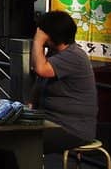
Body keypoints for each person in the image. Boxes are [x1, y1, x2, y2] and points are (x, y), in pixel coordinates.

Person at [30, 10, 98, 153]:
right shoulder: (55, 54)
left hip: (72, 129)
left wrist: (37, 41)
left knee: (23, 142)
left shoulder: (74, 56)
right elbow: (39, 84)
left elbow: (41, 69)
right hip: (50, 121)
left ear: (51, 36)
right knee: (7, 137)